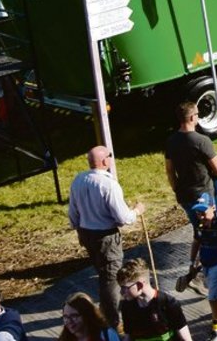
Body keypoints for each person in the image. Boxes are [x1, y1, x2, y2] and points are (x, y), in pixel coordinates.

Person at [67, 146, 144, 332]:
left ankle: (105, 312)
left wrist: (79, 229)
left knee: (103, 273)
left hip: (87, 234)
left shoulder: (78, 180)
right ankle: (112, 322)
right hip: (106, 237)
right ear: (104, 161)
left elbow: (73, 213)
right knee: (111, 280)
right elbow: (123, 218)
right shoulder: (108, 184)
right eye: (109, 156)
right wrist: (137, 211)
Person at [164, 102, 217, 231]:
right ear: (192, 117)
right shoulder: (202, 141)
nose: (198, 116)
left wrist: (176, 188)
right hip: (204, 196)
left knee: (198, 229)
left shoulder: (171, 141)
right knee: (213, 230)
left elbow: (170, 171)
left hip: (184, 195)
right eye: (198, 114)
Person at [185, 201, 217, 341]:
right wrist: (192, 263)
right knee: (213, 287)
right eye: (198, 213)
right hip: (205, 265)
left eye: (204, 213)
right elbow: (196, 243)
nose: (201, 216)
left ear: (213, 208)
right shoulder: (199, 226)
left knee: (213, 298)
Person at [117, 260, 189, 341]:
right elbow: (128, 336)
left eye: (125, 288)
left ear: (139, 285)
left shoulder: (168, 303)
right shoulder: (127, 306)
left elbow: (186, 339)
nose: (121, 292)